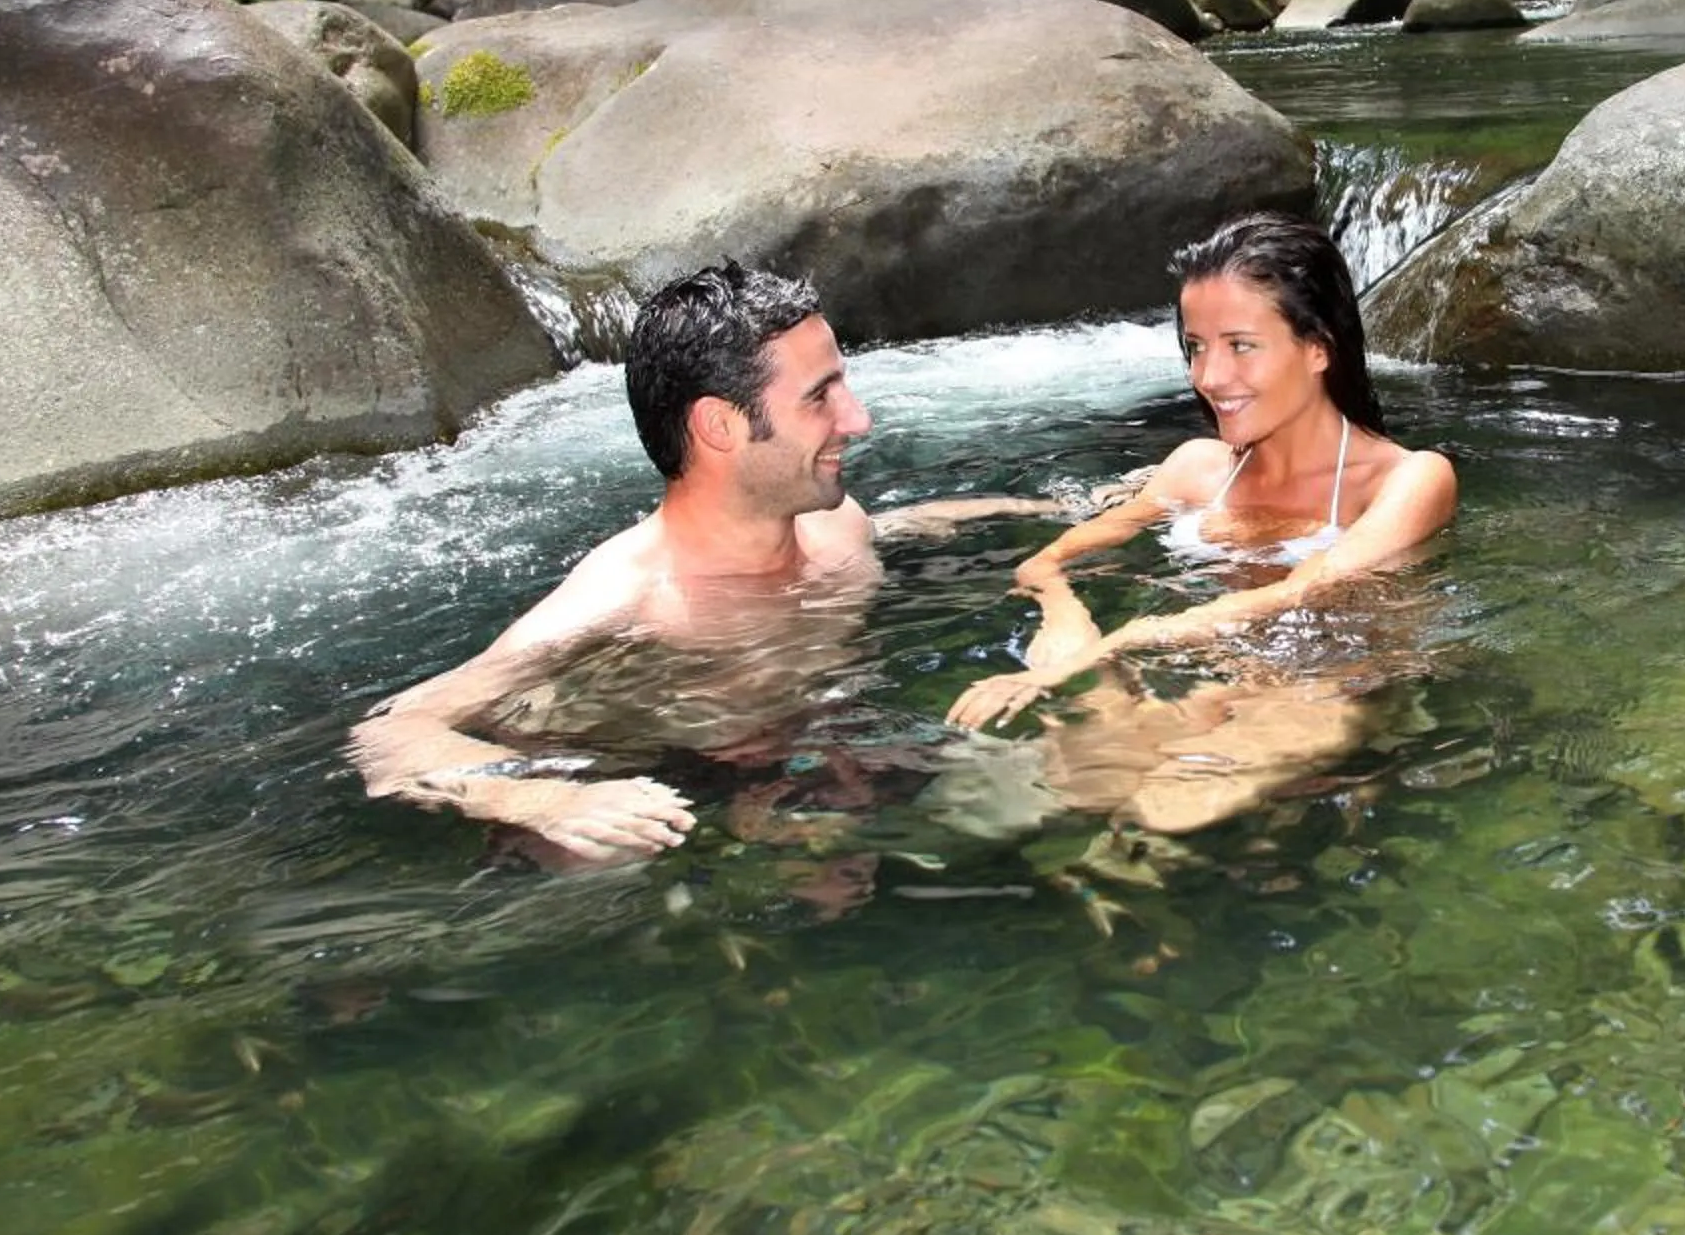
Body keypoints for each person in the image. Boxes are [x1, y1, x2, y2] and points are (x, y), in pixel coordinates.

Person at [349, 259, 1067, 866]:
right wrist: (546, 800)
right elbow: (389, 733)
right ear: (718, 425)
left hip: (820, 750)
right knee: (600, 868)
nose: (858, 419)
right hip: (656, 790)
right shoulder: (627, 601)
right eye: (821, 396)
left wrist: (1057, 514)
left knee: (1052, 785)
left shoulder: (836, 526)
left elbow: (898, 526)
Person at [946, 213, 1457, 828]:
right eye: (1196, 347)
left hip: (1328, 682)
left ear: (1317, 347)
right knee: (1012, 793)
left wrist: (1116, 646)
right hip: (1209, 676)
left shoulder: (1409, 479)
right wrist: (1067, 617)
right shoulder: (1197, 468)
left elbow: (1309, 587)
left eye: (1241, 345)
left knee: (1170, 808)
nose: (1209, 377)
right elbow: (1046, 560)